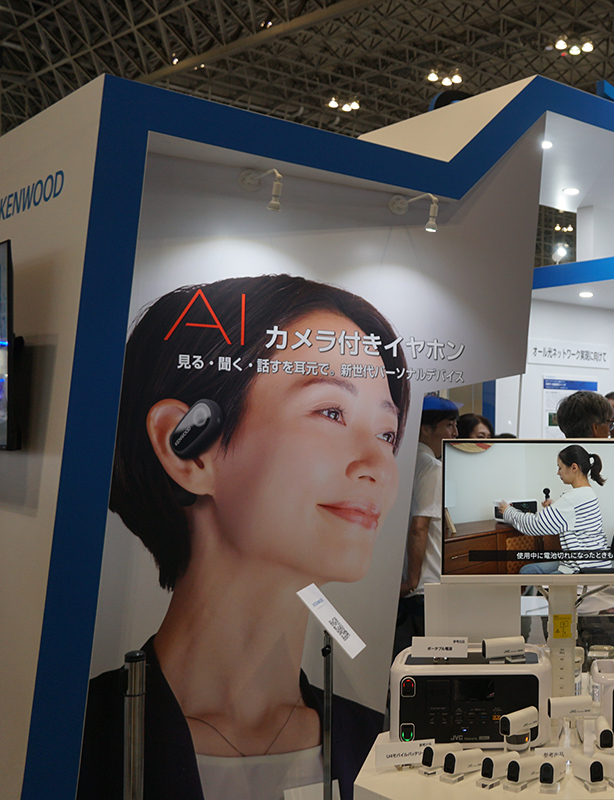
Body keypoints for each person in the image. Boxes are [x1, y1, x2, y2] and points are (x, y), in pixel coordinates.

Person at [81, 274, 409, 800]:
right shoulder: (72, 744)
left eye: (387, 434)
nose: (379, 465)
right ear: (190, 447)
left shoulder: (377, 745)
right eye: (331, 412)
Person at [393, 396, 459, 656]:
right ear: (426, 429)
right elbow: (419, 526)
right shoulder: (431, 466)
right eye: (449, 425)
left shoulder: (402, 462)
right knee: (432, 664)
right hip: (425, 587)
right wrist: (412, 579)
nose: (455, 433)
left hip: (406, 587)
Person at [500, 444, 614, 574]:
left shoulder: (572, 499)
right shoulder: (588, 493)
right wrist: (554, 507)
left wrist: (508, 511)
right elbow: (574, 516)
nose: (558, 472)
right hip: (596, 563)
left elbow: (535, 524)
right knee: (528, 570)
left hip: (583, 569)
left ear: (574, 468)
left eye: (560, 468)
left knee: (527, 572)